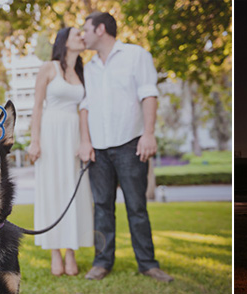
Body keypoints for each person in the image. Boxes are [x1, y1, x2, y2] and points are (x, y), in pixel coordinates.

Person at [78, 12, 173, 282]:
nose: (83, 35)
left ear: (100, 29)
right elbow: (84, 107)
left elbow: (148, 94)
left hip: (131, 144)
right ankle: (102, 263)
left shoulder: (136, 55)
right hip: (98, 149)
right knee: (102, 208)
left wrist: (149, 134)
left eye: (86, 29)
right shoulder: (89, 67)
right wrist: (85, 141)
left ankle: (148, 264)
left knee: (137, 208)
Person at [27, 26, 94, 276]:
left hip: (74, 136)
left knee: (73, 192)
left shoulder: (82, 72)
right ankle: (55, 252)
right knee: (52, 191)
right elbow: (37, 107)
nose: (82, 37)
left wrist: (86, 140)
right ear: (65, 41)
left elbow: (85, 109)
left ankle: (71, 251)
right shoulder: (49, 68)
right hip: (51, 134)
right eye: (78, 34)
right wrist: (35, 141)